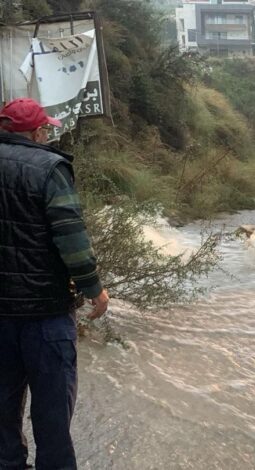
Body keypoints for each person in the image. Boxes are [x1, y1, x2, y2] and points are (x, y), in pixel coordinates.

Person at [0, 98, 109, 470]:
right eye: (46, 128)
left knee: (2, 405)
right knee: (52, 411)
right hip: (44, 312)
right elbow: (70, 238)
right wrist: (94, 288)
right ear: (37, 132)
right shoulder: (49, 168)